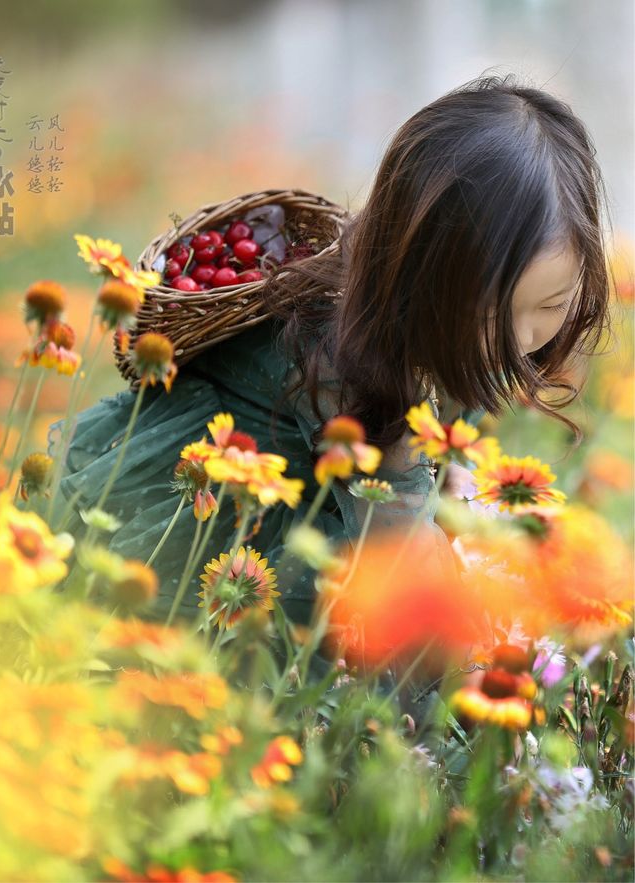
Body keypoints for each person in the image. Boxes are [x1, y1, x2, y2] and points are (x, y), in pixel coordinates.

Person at [47, 72, 612, 709]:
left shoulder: (400, 313)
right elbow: (401, 594)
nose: (520, 340)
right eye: (489, 314)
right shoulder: (349, 373)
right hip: (210, 537)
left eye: (553, 304)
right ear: (423, 276)